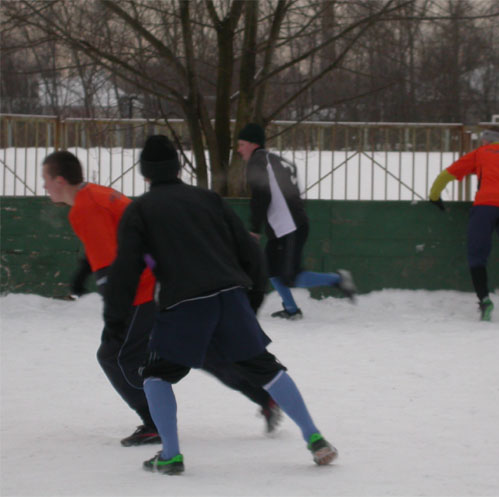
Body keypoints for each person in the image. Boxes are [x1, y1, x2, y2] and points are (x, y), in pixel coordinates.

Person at [103, 135, 338, 475]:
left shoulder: (140, 210)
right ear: (178, 167)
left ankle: (170, 455)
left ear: (145, 173)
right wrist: (252, 299)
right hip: (230, 295)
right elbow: (249, 249)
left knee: (155, 374)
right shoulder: (208, 199)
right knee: (266, 368)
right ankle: (316, 438)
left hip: (184, 302)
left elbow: (125, 270)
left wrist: (115, 321)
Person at [41, 151, 282, 448]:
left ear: (60, 180)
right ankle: (266, 398)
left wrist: (117, 312)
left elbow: (112, 266)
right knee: (202, 351)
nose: (44, 187)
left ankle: (154, 423)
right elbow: (117, 239)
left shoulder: (83, 209)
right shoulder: (97, 194)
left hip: (148, 291)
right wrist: (82, 273)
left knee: (115, 356)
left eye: (45, 180)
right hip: (173, 279)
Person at [237, 123, 357, 320]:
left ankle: (338, 279)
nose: (240, 150)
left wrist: (254, 228)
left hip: (288, 228)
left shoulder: (257, 162)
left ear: (253, 144)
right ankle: (292, 310)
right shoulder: (275, 160)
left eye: (242, 145)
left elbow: (261, 196)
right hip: (287, 226)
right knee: (272, 269)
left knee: (290, 276)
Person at [428, 126, 499, 321]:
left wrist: (434, 196)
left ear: (486, 141)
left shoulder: (480, 153)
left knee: (477, 256)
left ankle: (485, 300)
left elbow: (447, 175)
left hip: (484, 207)